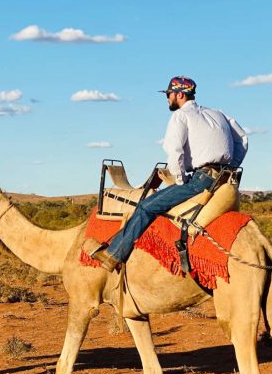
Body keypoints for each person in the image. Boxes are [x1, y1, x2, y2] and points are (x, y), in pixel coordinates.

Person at [88, 76, 248, 272]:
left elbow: (174, 150)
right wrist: (231, 165)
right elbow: (243, 140)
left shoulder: (181, 116)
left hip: (201, 180)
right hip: (225, 179)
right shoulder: (219, 113)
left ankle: (114, 255)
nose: (168, 98)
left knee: (147, 207)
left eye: (169, 94)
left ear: (180, 94)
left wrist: (180, 178)